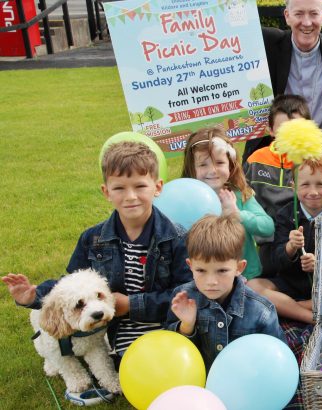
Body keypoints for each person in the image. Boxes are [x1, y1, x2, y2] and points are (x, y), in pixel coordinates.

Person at [3, 141, 192, 362]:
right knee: (136, 368)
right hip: (121, 329)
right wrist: (33, 296)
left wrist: (132, 304)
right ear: (106, 192)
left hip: (169, 323)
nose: (130, 196)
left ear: (157, 187)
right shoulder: (93, 240)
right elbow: (71, 284)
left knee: (171, 365)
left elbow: (187, 292)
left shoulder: (176, 238)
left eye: (140, 186)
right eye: (119, 188)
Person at [255, 0, 322, 207]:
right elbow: (231, 28)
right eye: (299, 14)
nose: (307, 22)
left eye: (313, 14)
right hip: (278, 146)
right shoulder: (270, 43)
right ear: (287, 16)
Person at [167, 214, 285, 371]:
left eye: (222, 271)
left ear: (239, 268)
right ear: (190, 265)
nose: (211, 281)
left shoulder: (261, 310)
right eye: (201, 270)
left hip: (245, 382)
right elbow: (172, 351)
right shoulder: (182, 298)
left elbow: (277, 357)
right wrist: (187, 325)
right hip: (197, 385)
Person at [248, 154, 322, 324]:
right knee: (253, 287)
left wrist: (320, 265)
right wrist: (290, 248)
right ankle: (309, 314)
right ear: (293, 186)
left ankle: (291, 307)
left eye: (321, 184)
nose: (313, 192)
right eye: (305, 185)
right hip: (289, 284)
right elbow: (276, 261)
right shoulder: (285, 215)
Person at [182, 128, 274, 280]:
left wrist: (238, 215)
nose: (213, 170)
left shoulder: (239, 195)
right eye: (203, 165)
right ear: (192, 168)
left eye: (219, 162)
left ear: (230, 166)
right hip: (205, 280)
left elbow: (267, 227)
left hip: (246, 275)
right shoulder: (187, 200)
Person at [244, 95, 311, 278]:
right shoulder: (256, 160)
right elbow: (243, 196)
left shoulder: (314, 159)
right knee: (263, 279)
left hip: (306, 236)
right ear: (271, 130)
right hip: (270, 240)